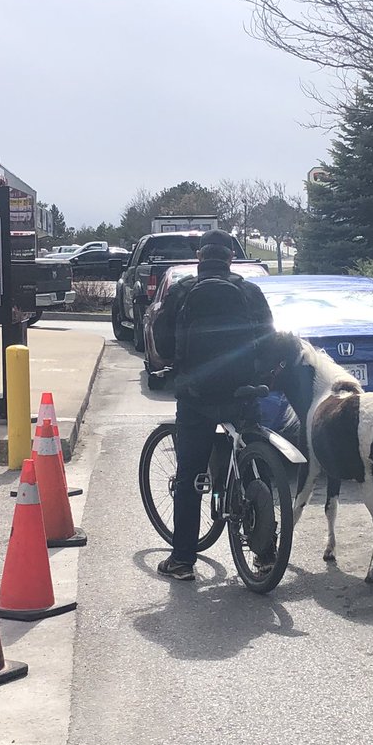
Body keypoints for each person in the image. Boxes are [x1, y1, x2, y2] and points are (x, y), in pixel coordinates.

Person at [150, 229, 276, 580]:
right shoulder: (249, 292)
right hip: (243, 393)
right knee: (256, 464)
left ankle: (182, 560)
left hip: (197, 396)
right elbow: (268, 337)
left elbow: (160, 337)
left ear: (201, 257)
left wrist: (173, 365)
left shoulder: (183, 291)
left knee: (190, 474)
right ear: (231, 259)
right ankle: (265, 554)